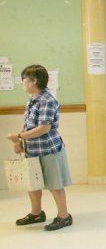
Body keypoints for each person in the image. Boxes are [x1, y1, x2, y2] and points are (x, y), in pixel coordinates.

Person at [6, 65, 73, 231]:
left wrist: (19, 137)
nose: (21, 82)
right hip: (32, 150)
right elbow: (28, 125)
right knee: (32, 184)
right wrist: (19, 142)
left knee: (54, 184)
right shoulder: (31, 98)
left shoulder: (47, 100)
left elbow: (44, 128)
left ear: (34, 80)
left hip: (49, 150)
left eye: (24, 79)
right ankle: (36, 213)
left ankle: (64, 216)